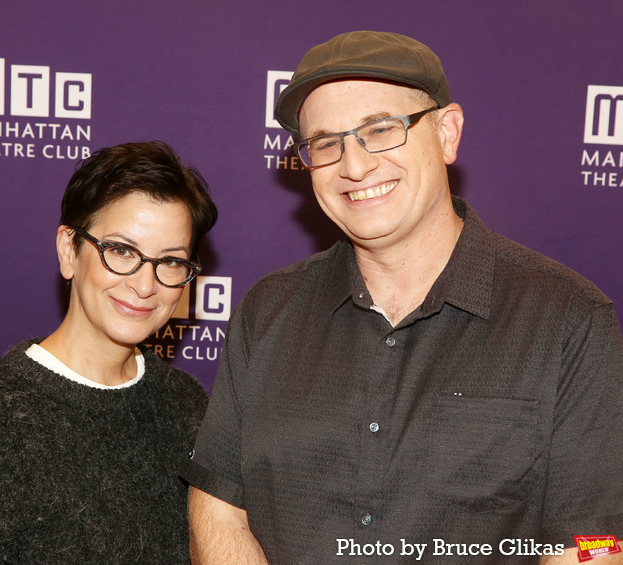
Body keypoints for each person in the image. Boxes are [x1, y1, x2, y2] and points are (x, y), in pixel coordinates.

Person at [181, 31, 623, 564]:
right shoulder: (267, 310)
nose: (355, 165)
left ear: (447, 133)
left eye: (381, 130)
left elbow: (592, 544)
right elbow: (218, 506)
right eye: (326, 143)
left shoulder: (568, 318)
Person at [0, 141, 217, 563]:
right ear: (68, 250)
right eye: (121, 251)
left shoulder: (189, 404)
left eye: (170, 261)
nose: (145, 284)